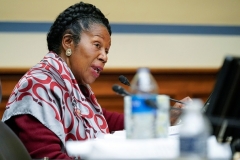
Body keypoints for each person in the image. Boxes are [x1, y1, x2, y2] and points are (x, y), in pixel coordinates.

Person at [1, 1, 190, 159]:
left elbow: (107, 120)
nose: (104, 56)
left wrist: (163, 117)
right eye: (97, 45)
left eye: (106, 51)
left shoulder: (72, 87)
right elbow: (48, 157)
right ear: (68, 42)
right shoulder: (37, 86)